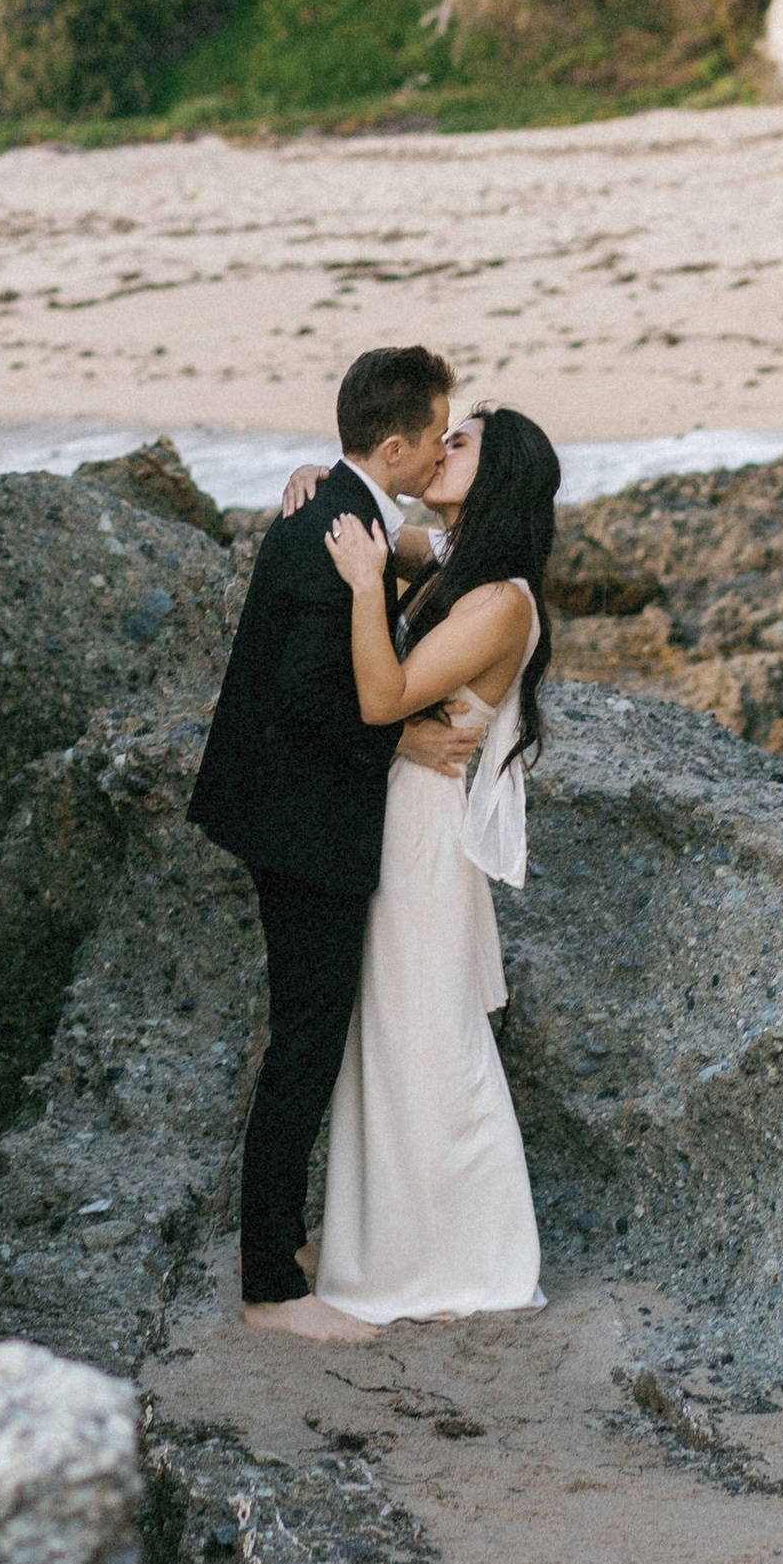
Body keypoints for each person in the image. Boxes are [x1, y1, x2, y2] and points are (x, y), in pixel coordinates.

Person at [187, 346, 482, 1342]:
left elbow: (407, 562)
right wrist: (409, 733)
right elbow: (316, 698)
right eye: (437, 434)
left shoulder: (341, 509)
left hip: (283, 807)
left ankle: (282, 1245)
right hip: (298, 822)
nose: (445, 447)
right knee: (305, 1042)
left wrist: (415, 549)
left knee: (307, 1035)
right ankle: (272, 1283)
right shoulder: (329, 528)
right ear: (392, 445)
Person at [312, 405, 560, 1325]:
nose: (439, 444)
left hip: (423, 832)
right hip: (405, 813)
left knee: (425, 1038)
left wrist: (365, 581)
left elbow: (383, 694)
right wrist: (315, 482)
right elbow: (386, 520)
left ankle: (475, 1258)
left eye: (461, 443)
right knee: (393, 1034)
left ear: (496, 475)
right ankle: (391, 1246)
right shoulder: (458, 562)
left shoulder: (500, 601)